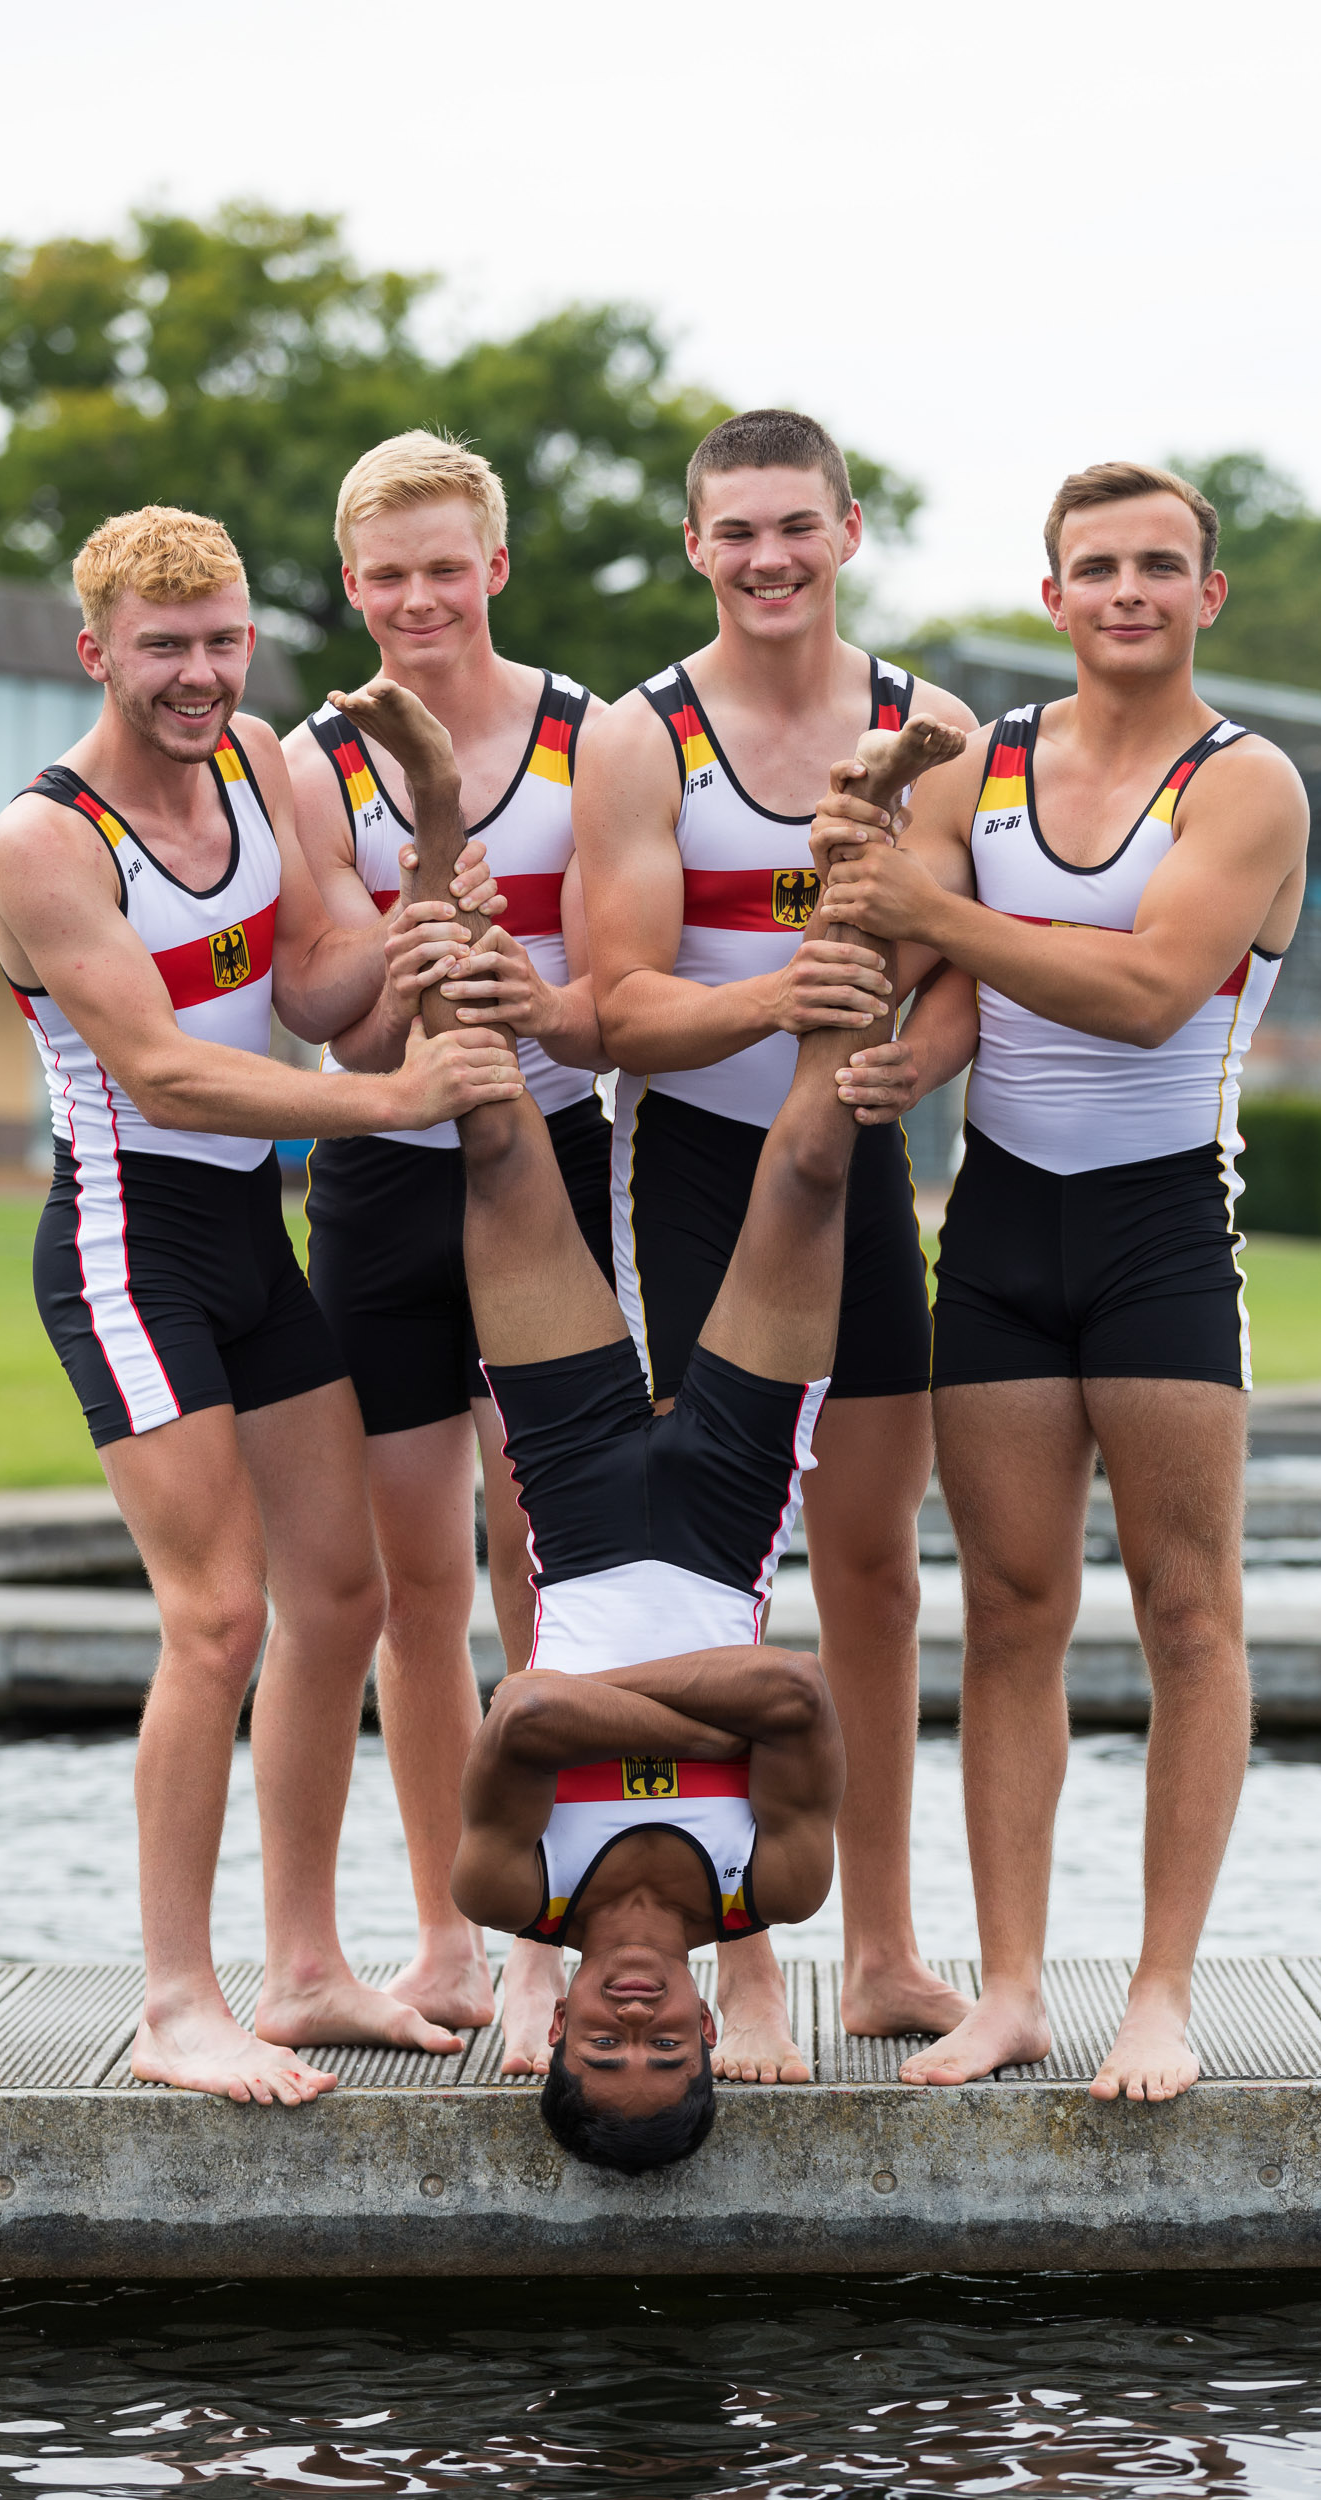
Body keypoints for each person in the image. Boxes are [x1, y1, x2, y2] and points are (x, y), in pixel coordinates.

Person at [0, 505, 520, 2106]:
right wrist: (400, 1098)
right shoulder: (46, 839)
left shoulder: (259, 773)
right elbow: (161, 1068)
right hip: (126, 1244)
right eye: (166, 649)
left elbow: (317, 990)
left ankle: (302, 1970)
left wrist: (425, 881)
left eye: (224, 642)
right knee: (215, 1618)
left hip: (246, 1241)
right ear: (99, 653)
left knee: (339, 1602)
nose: (202, 675)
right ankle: (173, 2002)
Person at [811, 461, 1309, 2101]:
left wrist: (930, 899)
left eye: (1161, 566)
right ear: (1054, 596)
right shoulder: (986, 764)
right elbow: (938, 982)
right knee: (1012, 1616)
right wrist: (896, 1042)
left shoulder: (1248, 786)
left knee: (1188, 1613)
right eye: (1097, 567)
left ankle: (1160, 1990)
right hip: (1007, 1239)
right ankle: (1012, 1986)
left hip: (1167, 1233)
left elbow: (1156, 990)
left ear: (1205, 596)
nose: (1129, 593)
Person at [452, 708, 966, 2168]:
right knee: (816, 1153)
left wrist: (701, 1716)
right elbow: (802, 1691)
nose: (629, 2018)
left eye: (601, 2044)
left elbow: (528, 1720)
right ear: (696, 2031)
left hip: (581, 1500)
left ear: (550, 2033)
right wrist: (726, 1709)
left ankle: (436, 818)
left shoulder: (513, 1890)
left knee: (493, 1137)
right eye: (657, 2046)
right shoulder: (774, 1887)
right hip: (732, 1505)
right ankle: (857, 820)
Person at [572, 408, 979, 2084]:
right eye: (734, 532)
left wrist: (907, 1060)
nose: (767, 560)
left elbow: (965, 967)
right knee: (705, 1583)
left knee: (876, 1568)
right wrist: (786, 997)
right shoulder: (637, 736)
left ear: (849, 528)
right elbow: (618, 1002)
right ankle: (742, 1974)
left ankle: (880, 1949)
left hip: (862, 1162)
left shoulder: (932, 727)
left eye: (794, 528)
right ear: (695, 545)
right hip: (701, 1173)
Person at [284, 432, 611, 2040]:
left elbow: (619, 997)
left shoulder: (589, 735)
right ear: (354, 586)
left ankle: (550, 1924)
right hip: (383, 1183)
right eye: (386, 573)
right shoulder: (311, 756)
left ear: (496, 566)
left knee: (543, 1565)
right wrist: (419, 918)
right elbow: (340, 1044)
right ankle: (447, 1934)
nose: (418, 597)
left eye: (444, 565)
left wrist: (519, 969)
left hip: (548, 1163)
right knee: (418, 1593)